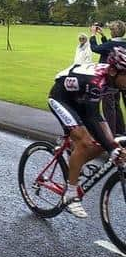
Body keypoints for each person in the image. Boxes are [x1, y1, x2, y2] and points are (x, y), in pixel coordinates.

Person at [48, 47, 126, 218]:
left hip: (82, 99)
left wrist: (111, 144)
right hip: (62, 98)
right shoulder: (96, 81)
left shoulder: (117, 78)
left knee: (106, 143)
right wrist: (112, 147)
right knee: (86, 142)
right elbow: (93, 116)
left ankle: (74, 157)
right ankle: (70, 195)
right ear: (113, 71)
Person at [90, 21, 126, 135]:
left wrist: (92, 35)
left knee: (108, 107)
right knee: (116, 105)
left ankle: (110, 135)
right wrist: (103, 36)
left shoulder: (110, 45)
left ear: (113, 32)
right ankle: (121, 132)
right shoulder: (122, 43)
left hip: (110, 79)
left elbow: (95, 48)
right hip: (121, 79)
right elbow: (107, 49)